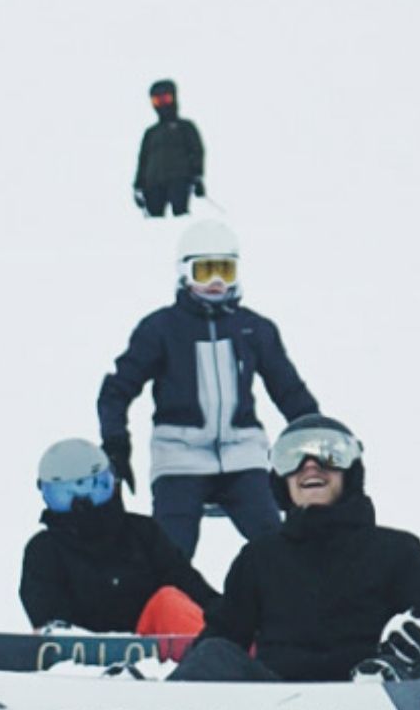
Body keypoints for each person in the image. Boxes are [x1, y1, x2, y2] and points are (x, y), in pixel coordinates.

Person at [169, 415, 420, 683]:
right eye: (292, 457)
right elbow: (222, 637)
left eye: (330, 454)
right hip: (277, 704)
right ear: (280, 481)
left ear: (349, 474)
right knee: (215, 653)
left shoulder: (399, 551)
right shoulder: (259, 558)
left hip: (371, 695)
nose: (310, 466)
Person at [97, 221, 321, 559]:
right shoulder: (161, 328)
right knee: (169, 553)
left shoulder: (253, 328)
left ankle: (289, 605)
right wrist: (116, 445)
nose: (216, 283)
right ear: (185, 274)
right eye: (205, 272)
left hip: (243, 453)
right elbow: (117, 390)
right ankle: (164, 608)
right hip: (179, 458)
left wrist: (316, 437)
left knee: (278, 543)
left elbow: (288, 390)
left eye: (225, 271)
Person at [20, 438, 218, 634]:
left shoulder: (143, 533)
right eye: (65, 495)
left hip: (157, 644)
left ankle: (230, 655)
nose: (83, 503)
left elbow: (192, 588)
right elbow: (45, 611)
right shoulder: (44, 550)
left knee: (170, 601)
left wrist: (233, 619)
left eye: (95, 487)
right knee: (53, 631)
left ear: (111, 483)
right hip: (81, 650)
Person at [133, 78, 205, 217]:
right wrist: (138, 186)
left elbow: (197, 151)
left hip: (179, 179)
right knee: (154, 221)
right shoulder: (151, 133)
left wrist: (197, 176)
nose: (162, 105)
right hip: (152, 183)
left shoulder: (185, 127)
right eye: (157, 101)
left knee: (180, 215)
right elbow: (143, 161)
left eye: (166, 99)